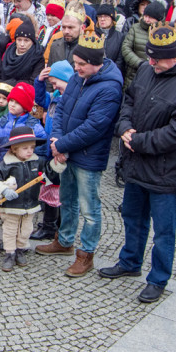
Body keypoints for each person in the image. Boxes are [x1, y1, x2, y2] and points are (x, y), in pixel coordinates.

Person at [101, 21, 176, 302]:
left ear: (174, 57)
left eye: (156, 59)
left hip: (165, 170)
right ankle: (130, 262)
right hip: (136, 162)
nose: (150, 63)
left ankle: (158, 278)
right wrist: (123, 128)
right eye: (149, 57)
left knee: (164, 230)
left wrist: (138, 141)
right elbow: (129, 102)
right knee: (133, 217)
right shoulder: (148, 70)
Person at [36, 27, 124, 277]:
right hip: (65, 150)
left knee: (89, 208)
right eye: (75, 63)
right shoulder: (78, 77)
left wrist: (61, 146)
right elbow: (62, 109)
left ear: (96, 63)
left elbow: (94, 127)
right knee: (68, 200)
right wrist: (57, 140)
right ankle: (64, 241)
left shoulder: (110, 87)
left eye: (81, 64)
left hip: (87, 157)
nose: (76, 68)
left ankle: (86, 254)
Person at [0, 126, 49, 272]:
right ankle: (10, 253)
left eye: (32, 147)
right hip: (11, 206)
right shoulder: (6, 164)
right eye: (25, 148)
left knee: (26, 230)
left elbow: (49, 173)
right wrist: (3, 190)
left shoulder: (37, 162)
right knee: (10, 230)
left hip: (30, 206)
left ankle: (21, 249)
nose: (30, 151)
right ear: (14, 149)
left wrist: (57, 165)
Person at [29, 61, 73, 241]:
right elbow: (40, 101)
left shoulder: (69, 98)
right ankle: (51, 224)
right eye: (52, 83)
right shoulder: (56, 95)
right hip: (50, 149)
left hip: (60, 151)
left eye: (56, 83)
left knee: (56, 191)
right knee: (49, 187)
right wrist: (39, 82)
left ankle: (53, 226)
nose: (53, 86)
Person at [120, 0, 165, 88]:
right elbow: (126, 48)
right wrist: (140, 64)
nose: (147, 20)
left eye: (151, 17)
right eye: (146, 16)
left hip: (154, 77)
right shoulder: (135, 28)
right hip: (133, 75)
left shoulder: (163, 33)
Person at [0, 17, 45, 86]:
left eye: (26, 40)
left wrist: (10, 84)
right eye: (19, 40)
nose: (22, 44)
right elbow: (0, 74)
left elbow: (33, 82)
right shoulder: (9, 52)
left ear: (32, 41)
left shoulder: (38, 56)